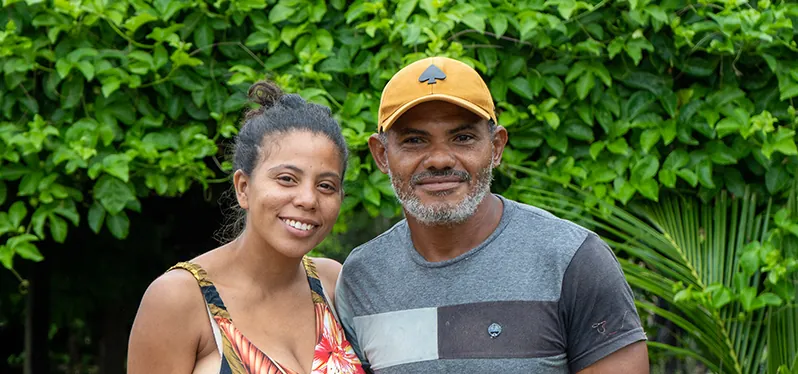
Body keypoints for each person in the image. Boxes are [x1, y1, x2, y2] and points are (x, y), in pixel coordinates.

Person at [335, 56, 649, 373]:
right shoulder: (362, 279)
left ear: (496, 147)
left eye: (463, 138)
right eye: (414, 140)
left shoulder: (571, 260)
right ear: (381, 155)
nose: (440, 159)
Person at [128, 80, 365, 374]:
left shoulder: (333, 283)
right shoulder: (179, 299)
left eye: (326, 186)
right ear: (243, 187)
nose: (308, 199)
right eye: (287, 179)